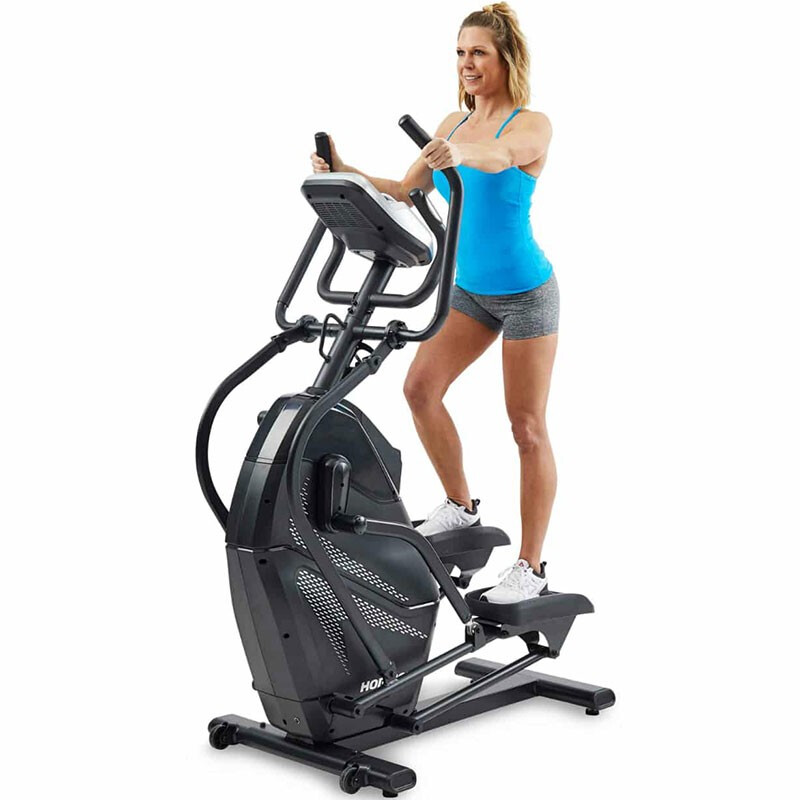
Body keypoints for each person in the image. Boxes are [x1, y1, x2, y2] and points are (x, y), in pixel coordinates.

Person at [310, 3, 556, 604]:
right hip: (469, 291)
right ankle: (461, 506)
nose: (467, 63)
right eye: (460, 52)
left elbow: (499, 157)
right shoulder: (451, 123)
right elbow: (403, 189)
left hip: (527, 293)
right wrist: (344, 170)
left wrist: (459, 154)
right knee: (420, 389)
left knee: (526, 427)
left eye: (479, 53)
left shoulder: (530, 125)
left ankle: (531, 567)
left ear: (506, 59)